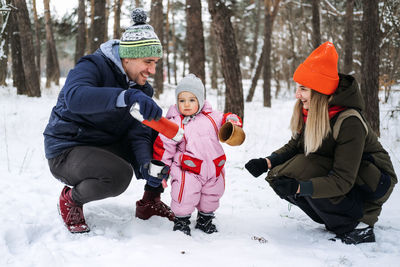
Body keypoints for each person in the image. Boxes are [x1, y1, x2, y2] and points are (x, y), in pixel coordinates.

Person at [245, 42, 397, 245]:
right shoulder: (312, 112)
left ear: (319, 91)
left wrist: (299, 187)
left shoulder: (349, 121)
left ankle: (359, 224)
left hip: (371, 182)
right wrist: (266, 163)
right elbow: (295, 146)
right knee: (279, 176)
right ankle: (333, 218)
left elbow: (343, 179)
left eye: (303, 89)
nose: (297, 95)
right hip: (345, 176)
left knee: (301, 169)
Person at [43, 8, 174, 233]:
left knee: (165, 139)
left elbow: (138, 132)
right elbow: (75, 97)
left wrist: (144, 162)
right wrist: (124, 97)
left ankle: (150, 199)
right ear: (129, 56)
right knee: (118, 175)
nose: (152, 70)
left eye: (155, 63)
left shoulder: (141, 88)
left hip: (106, 144)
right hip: (68, 149)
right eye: (148, 61)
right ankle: (71, 199)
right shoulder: (93, 66)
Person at [153, 74, 242, 235]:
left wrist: (232, 120)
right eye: (182, 100)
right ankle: (181, 221)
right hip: (187, 170)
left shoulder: (212, 117)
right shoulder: (175, 123)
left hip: (213, 168)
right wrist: (160, 172)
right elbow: (163, 147)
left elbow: (227, 119)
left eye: (192, 100)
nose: (186, 104)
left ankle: (205, 219)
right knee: (183, 196)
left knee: (212, 195)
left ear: (200, 100)